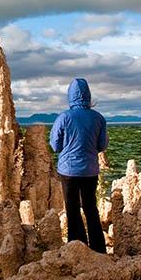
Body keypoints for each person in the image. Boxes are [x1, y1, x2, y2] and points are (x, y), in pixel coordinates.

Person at [49, 77, 108, 253]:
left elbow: (55, 145)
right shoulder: (99, 118)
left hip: (68, 171)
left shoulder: (64, 117)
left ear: (70, 96)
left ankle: (77, 248)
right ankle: (98, 249)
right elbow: (102, 145)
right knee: (91, 208)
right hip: (90, 170)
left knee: (72, 209)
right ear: (88, 96)